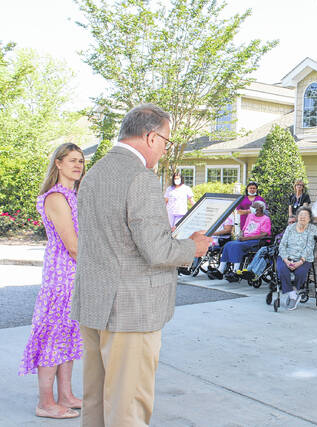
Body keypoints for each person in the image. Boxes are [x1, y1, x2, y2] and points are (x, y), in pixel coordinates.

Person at [71, 104, 212, 426]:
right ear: (150, 136)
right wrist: (195, 246)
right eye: (166, 140)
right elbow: (158, 251)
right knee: (128, 406)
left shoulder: (95, 172)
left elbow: (114, 236)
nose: (165, 149)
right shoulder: (141, 178)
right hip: (131, 310)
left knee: (95, 400)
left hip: (94, 301)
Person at [18, 143, 85, 420]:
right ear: (58, 163)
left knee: (67, 337)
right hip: (62, 277)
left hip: (74, 275)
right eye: (72, 160)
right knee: (52, 339)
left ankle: (66, 395)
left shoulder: (73, 195)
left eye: (81, 161)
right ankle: (46, 403)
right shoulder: (56, 197)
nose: (78, 165)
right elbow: (72, 246)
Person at [211, 200, 271, 282]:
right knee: (228, 244)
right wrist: (241, 236)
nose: (252, 208)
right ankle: (221, 270)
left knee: (237, 246)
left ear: (260, 208)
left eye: (254, 207)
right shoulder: (250, 216)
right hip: (244, 239)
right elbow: (244, 228)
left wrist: (246, 239)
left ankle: (236, 271)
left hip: (255, 241)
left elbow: (264, 234)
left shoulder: (265, 219)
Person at [276, 207, 317, 310]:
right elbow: (282, 245)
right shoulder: (290, 228)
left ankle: (293, 291)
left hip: (304, 258)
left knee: (300, 273)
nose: (302, 217)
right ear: (297, 217)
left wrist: (300, 262)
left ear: (309, 218)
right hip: (287, 256)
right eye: (301, 215)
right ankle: (293, 295)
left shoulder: (312, 229)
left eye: (305, 216)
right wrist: (286, 260)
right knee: (282, 270)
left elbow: (310, 247)